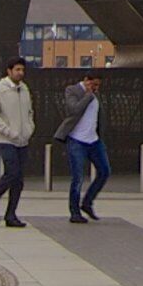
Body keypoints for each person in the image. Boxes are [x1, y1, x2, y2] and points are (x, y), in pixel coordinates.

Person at [0, 57, 35, 229]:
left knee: (19, 179)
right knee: (12, 172)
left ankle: (11, 214)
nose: (20, 73)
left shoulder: (24, 89)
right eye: (17, 70)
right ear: (9, 71)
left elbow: (29, 112)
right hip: (6, 140)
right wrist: (7, 130)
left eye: (22, 70)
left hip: (22, 139)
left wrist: (29, 128)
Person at [60, 75, 110, 225]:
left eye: (98, 86)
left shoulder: (96, 95)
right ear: (86, 80)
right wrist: (88, 95)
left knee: (105, 171)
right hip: (77, 140)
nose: (96, 88)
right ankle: (74, 212)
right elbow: (73, 110)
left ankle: (87, 202)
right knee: (78, 177)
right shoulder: (72, 90)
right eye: (94, 84)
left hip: (93, 140)